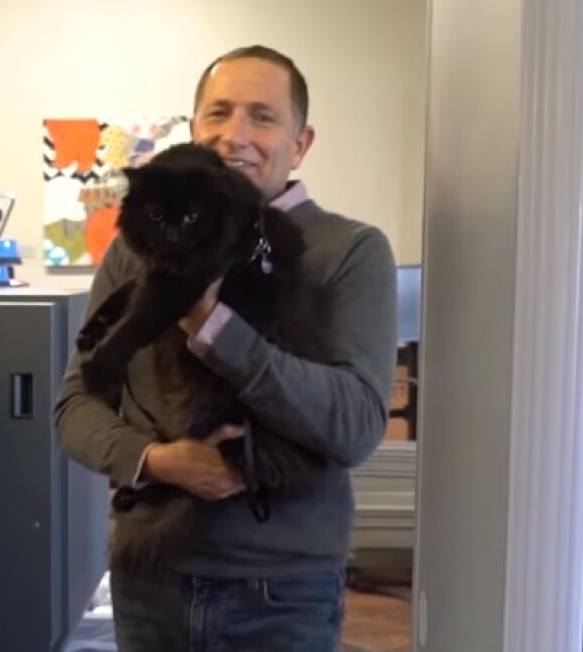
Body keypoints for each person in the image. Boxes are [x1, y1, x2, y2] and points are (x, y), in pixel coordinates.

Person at [54, 45, 397, 651]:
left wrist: (212, 326)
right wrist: (157, 460)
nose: (234, 135)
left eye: (262, 117)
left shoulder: (350, 250)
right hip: (149, 579)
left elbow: (356, 426)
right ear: (195, 129)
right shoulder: (137, 247)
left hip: (282, 592)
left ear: (301, 143)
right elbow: (75, 407)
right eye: (218, 113)